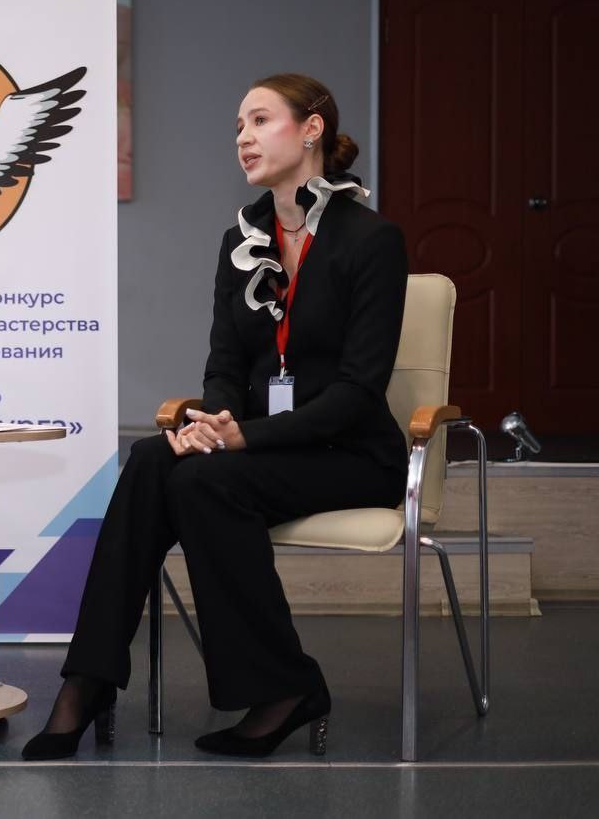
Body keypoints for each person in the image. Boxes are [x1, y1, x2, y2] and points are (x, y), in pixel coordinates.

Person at [22, 74, 408, 761]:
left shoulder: (371, 240)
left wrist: (241, 437)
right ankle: (90, 677)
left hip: (349, 453)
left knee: (205, 481)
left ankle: (283, 687)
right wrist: (212, 422)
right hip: (261, 447)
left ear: (311, 129)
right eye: (238, 127)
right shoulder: (242, 238)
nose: (243, 138)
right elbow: (225, 362)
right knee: (153, 458)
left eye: (259, 120)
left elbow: (358, 391)